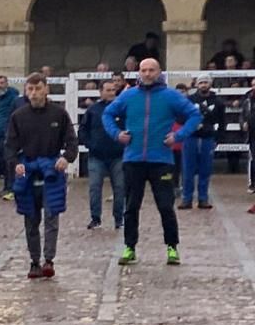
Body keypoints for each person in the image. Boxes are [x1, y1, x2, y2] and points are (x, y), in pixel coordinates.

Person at [104, 57, 200, 265]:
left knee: (165, 206)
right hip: (133, 159)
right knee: (131, 206)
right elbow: (108, 114)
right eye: (143, 70)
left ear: (159, 72)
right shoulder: (129, 96)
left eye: (151, 70)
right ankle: (129, 247)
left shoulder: (170, 96)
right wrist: (117, 134)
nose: (147, 74)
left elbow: (194, 115)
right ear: (139, 72)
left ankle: (172, 247)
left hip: (161, 160)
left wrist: (178, 136)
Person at [5, 72, 78, 279]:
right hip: (28, 170)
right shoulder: (18, 116)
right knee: (30, 218)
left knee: (52, 216)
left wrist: (66, 158)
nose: (34, 93)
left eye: (38, 89)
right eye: (30, 89)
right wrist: (15, 164)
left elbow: (71, 142)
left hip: (52, 170)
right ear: (26, 91)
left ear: (46, 89)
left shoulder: (59, 114)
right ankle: (34, 261)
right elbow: (10, 146)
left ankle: (49, 259)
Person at [80, 74, 126, 230]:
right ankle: (95, 218)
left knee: (120, 188)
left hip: (118, 156)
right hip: (96, 156)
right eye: (108, 90)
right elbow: (83, 130)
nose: (111, 93)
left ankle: (119, 218)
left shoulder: (122, 109)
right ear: (101, 92)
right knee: (94, 187)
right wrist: (90, 145)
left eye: (113, 90)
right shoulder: (93, 110)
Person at [179, 74, 225, 210]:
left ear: (210, 84)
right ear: (197, 84)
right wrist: (190, 126)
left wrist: (218, 138)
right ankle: (186, 198)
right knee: (188, 169)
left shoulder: (218, 102)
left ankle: (203, 198)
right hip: (191, 138)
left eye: (206, 82)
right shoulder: (189, 100)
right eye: (201, 82)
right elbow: (180, 117)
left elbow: (222, 121)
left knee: (205, 169)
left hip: (208, 138)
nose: (203, 85)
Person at [0, 75, 24, 197]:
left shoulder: (13, 97)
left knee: (10, 161)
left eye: (1, 83)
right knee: (3, 162)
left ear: (7, 83)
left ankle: (12, 187)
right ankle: (6, 186)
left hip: (8, 133)